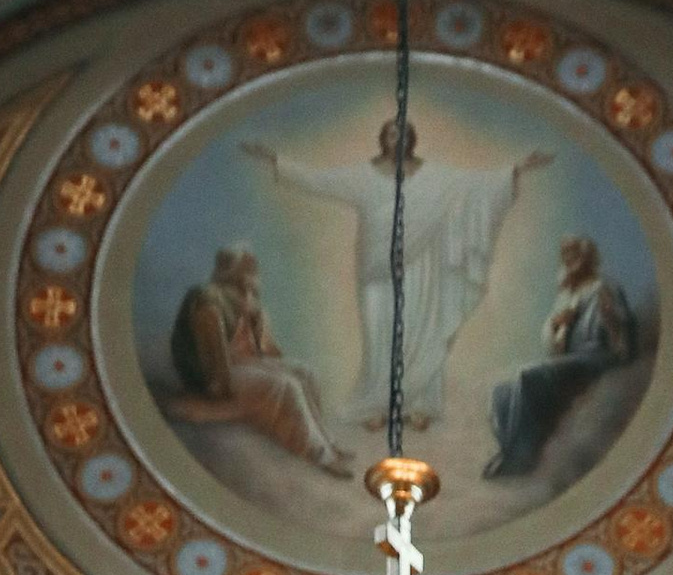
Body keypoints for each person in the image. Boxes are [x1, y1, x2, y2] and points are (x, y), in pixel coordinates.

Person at [244, 114, 551, 429]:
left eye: (404, 134)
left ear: (412, 139)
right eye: (392, 134)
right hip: (376, 266)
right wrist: (276, 160)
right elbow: (320, 180)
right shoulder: (363, 175)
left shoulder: (434, 177)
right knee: (379, 335)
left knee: (420, 328)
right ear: (383, 139)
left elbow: (475, 186)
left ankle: (417, 404)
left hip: (421, 267)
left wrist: (517, 168)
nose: (398, 139)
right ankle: (376, 406)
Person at [164, 246, 355, 475]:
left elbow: (265, 350)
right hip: (221, 370)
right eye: (247, 269)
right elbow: (212, 355)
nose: (253, 276)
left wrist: (257, 315)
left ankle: (329, 444)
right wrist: (218, 386)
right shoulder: (208, 298)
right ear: (231, 271)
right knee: (286, 385)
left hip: (248, 362)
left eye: (253, 270)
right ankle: (319, 455)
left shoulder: (248, 300)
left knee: (305, 373)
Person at [485, 235, 636, 477]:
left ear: (586, 258)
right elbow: (552, 346)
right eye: (565, 256)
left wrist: (611, 319)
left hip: (597, 356)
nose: (568, 261)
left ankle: (523, 456)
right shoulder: (566, 294)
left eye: (573, 255)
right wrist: (557, 324)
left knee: (528, 376)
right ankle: (509, 449)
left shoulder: (603, 288)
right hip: (571, 358)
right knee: (501, 389)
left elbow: (623, 334)